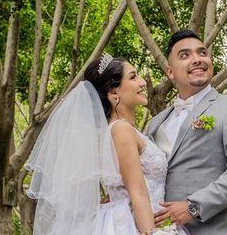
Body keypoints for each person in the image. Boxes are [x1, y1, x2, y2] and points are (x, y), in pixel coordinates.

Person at [26, 54, 174, 235]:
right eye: (133, 77)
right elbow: (138, 193)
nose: (143, 82)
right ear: (113, 93)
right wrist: (151, 233)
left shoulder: (117, 130)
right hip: (135, 224)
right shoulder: (121, 130)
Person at [147, 30, 227, 234]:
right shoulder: (156, 122)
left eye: (202, 53)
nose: (197, 59)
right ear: (170, 72)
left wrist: (194, 206)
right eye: (185, 55)